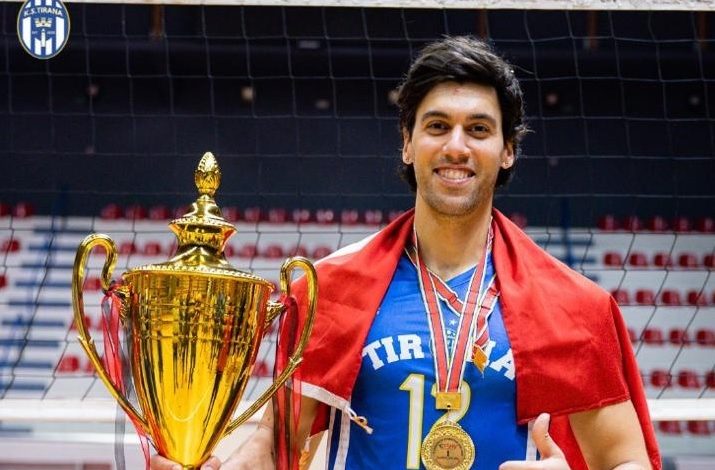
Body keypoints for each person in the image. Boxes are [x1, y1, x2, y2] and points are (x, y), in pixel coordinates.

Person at [152, 36, 660, 470]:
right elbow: (273, 446)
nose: (456, 146)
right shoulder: (328, 291)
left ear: (508, 150)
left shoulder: (573, 307)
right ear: (407, 143)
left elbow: (627, 460)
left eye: (478, 129)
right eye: (437, 126)